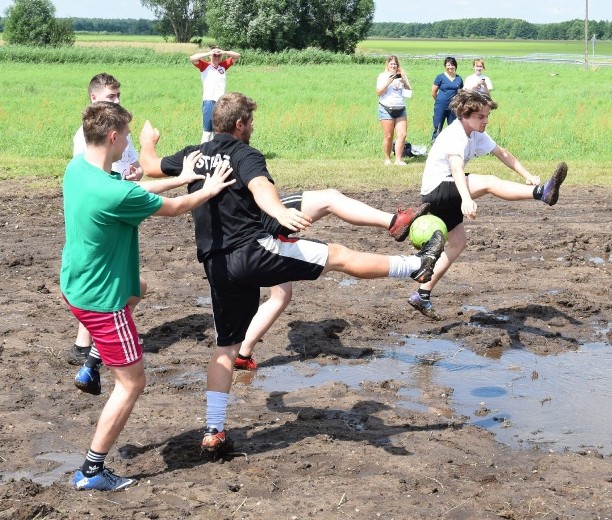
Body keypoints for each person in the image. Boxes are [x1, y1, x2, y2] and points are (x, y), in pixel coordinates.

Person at [137, 92, 446, 451]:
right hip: (254, 251)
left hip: (217, 266)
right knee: (338, 255)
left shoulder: (193, 155)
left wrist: (148, 141)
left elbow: (150, 165)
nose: (252, 127)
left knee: (224, 349)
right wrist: (280, 214)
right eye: (250, 121)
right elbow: (260, 186)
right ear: (240, 124)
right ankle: (416, 266)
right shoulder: (244, 154)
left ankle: (214, 430)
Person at [63, 101, 234, 491]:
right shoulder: (112, 193)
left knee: (139, 287)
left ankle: (92, 362)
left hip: (77, 283)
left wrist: (181, 176)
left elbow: (133, 190)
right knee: (132, 383)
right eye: (125, 137)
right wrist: (207, 189)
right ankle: (91, 470)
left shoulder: (79, 171)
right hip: (101, 301)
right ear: (112, 137)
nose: (127, 143)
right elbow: (173, 209)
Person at [408, 89, 568, 320]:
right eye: (481, 116)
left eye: (487, 116)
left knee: (458, 244)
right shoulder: (455, 135)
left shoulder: (476, 134)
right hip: (438, 191)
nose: (485, 120)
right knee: (489, 182)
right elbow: (456, 170)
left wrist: (527, 174)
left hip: (451, 188)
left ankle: (421, 294)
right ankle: (541, 193)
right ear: (465, 115)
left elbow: (502, 154)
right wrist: (465, 199)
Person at [234, 190, 430, 370]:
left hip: (238, 231)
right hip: (254, 217)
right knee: (329, 200)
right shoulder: (236, 155)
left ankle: (242, 353)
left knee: (281, 296)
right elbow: (257, 182)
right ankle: (396, 224)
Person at [69, 72, 146, 371]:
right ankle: (89, 347)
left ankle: (85, 346)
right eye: (111, 96)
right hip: (105, 213)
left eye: (118, 95)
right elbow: (92, 177)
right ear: (93, 98)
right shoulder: (89, 136)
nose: (116, 100)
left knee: (121, 283)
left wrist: (136, 175)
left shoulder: (119, 129)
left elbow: (135, 165)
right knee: (111, 283)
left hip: (123, 204)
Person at [190, 46, 240, 143]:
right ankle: (203, 151)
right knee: (207, 130)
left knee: (218, 130)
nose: (216, 58)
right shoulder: (204, 66)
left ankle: (214, 151)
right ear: (210, 56)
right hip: (209, 100)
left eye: (218, 56)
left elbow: (237, 56)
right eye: (214, 56)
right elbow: (192, 58)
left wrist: (223, 51)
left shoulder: (223, 66)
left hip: (221, 102)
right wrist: (209, 53)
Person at [376, 55, 412, 166]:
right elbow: (379, 93)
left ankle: (398, 160)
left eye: (395, 64)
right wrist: (388, 82)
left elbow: (409, 93)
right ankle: (387, 158)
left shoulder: (402, 76)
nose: (393, 66)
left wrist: (404, 81)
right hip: (386, 108)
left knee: (402, 135)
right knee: (388, 136)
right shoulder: (382, 76)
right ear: (387, 65)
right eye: (391, 64)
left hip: (400, 108)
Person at [431, 56, 463, 142]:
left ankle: (451, 144)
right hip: (440, 107)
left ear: (455, 66)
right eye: (448, 65)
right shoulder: (440, 77)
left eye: (452, 65)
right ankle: (435, 144)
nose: (450, 67)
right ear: (445, 66)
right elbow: (433, 92)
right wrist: (439, 101)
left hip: (453, 108)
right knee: (438, 126)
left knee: (453, 127)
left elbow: (460, 93)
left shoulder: (458, 78)